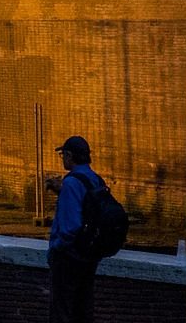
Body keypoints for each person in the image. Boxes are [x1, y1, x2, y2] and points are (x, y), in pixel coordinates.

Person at [48, 135, 103, 323]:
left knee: (62, 310)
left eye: (63, 155)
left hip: (69, 257)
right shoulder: (95, 180)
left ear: (70, 156)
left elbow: (71, 226)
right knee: (83, 308)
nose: (63, 159)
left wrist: (57, 247)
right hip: (90, 255)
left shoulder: (71, 182)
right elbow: (86, 206)